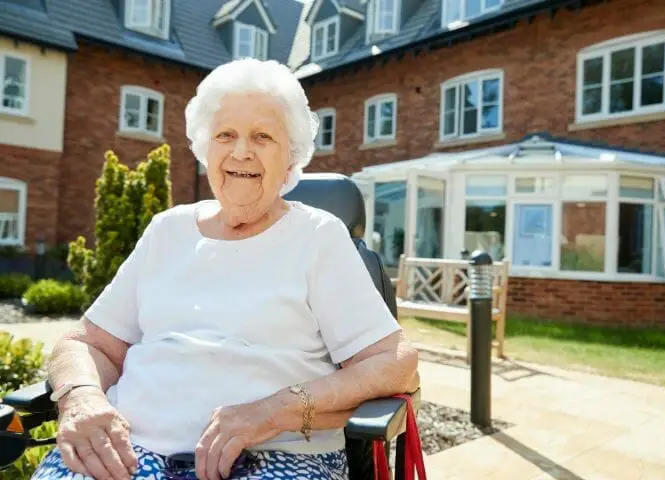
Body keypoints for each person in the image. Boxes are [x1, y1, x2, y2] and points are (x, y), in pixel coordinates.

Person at [32, 58, 419, 480]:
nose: (240, 151)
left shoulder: (316, 236)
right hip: (127, 450)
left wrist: (275, 411)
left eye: (262, 136)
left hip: (274, 455)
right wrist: (82, 398)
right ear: (205, 148)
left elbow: (395, 361)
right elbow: (88, 342)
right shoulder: (168, 230)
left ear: (290, 159)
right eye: (226, 135)